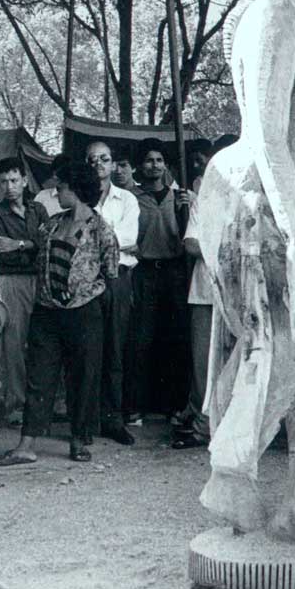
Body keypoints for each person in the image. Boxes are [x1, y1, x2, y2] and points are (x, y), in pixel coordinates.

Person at [0, 162, 119, 466]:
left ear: (75, 189)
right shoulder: (51, 224)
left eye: (60, 188)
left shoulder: (101, 230)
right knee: (39, 375)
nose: (56, 193)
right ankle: (26, 445)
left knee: (82, 376)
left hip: (83, 312)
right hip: (46, 311)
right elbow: (39, 257)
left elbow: (111, 273)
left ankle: (78, 440)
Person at [129, 139, 192, 423]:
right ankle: (139, 404)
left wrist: (183, 209)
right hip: (144, 271)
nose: (154, 165)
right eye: (148, 160)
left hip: (174, 271)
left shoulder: (180, 197)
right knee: (142, 337)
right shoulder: (132, 198)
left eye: (158, 160)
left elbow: (187, 234)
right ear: (140, 165)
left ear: (165, 164)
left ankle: (174, 404)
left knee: (175, 336)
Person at [0, 157, 47, 428]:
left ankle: (40, 404)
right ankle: (17, 405)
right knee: (14, 345)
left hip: (40, 281)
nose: (9, 187)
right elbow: (4, 255)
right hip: (11, 281)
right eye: (3, 182)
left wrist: (19, 244)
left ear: (24, 180)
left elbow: (48, 243)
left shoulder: (38, 209)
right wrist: (33, 245)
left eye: (13, 180)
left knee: (42, 344)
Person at [86, 139, 139, 445]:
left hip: (118, 277)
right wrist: (109, 240)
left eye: (104, 159)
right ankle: (87, 420)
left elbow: (128, 238)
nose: (99, 165)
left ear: (113, 164)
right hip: (87, 279)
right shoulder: (81, 198)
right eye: (93, 160)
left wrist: (95, 239)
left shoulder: (126, 200)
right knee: (88, 348)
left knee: (115, 349)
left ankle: (113, 419)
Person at [173, 137, 223, 450]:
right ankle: (203, 423)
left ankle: (222, 425)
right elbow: (191, 243)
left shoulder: (251, 203)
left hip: (240, 295)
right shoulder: (203, 202)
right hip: (204, 292)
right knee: (203, 363)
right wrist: (224, 252)